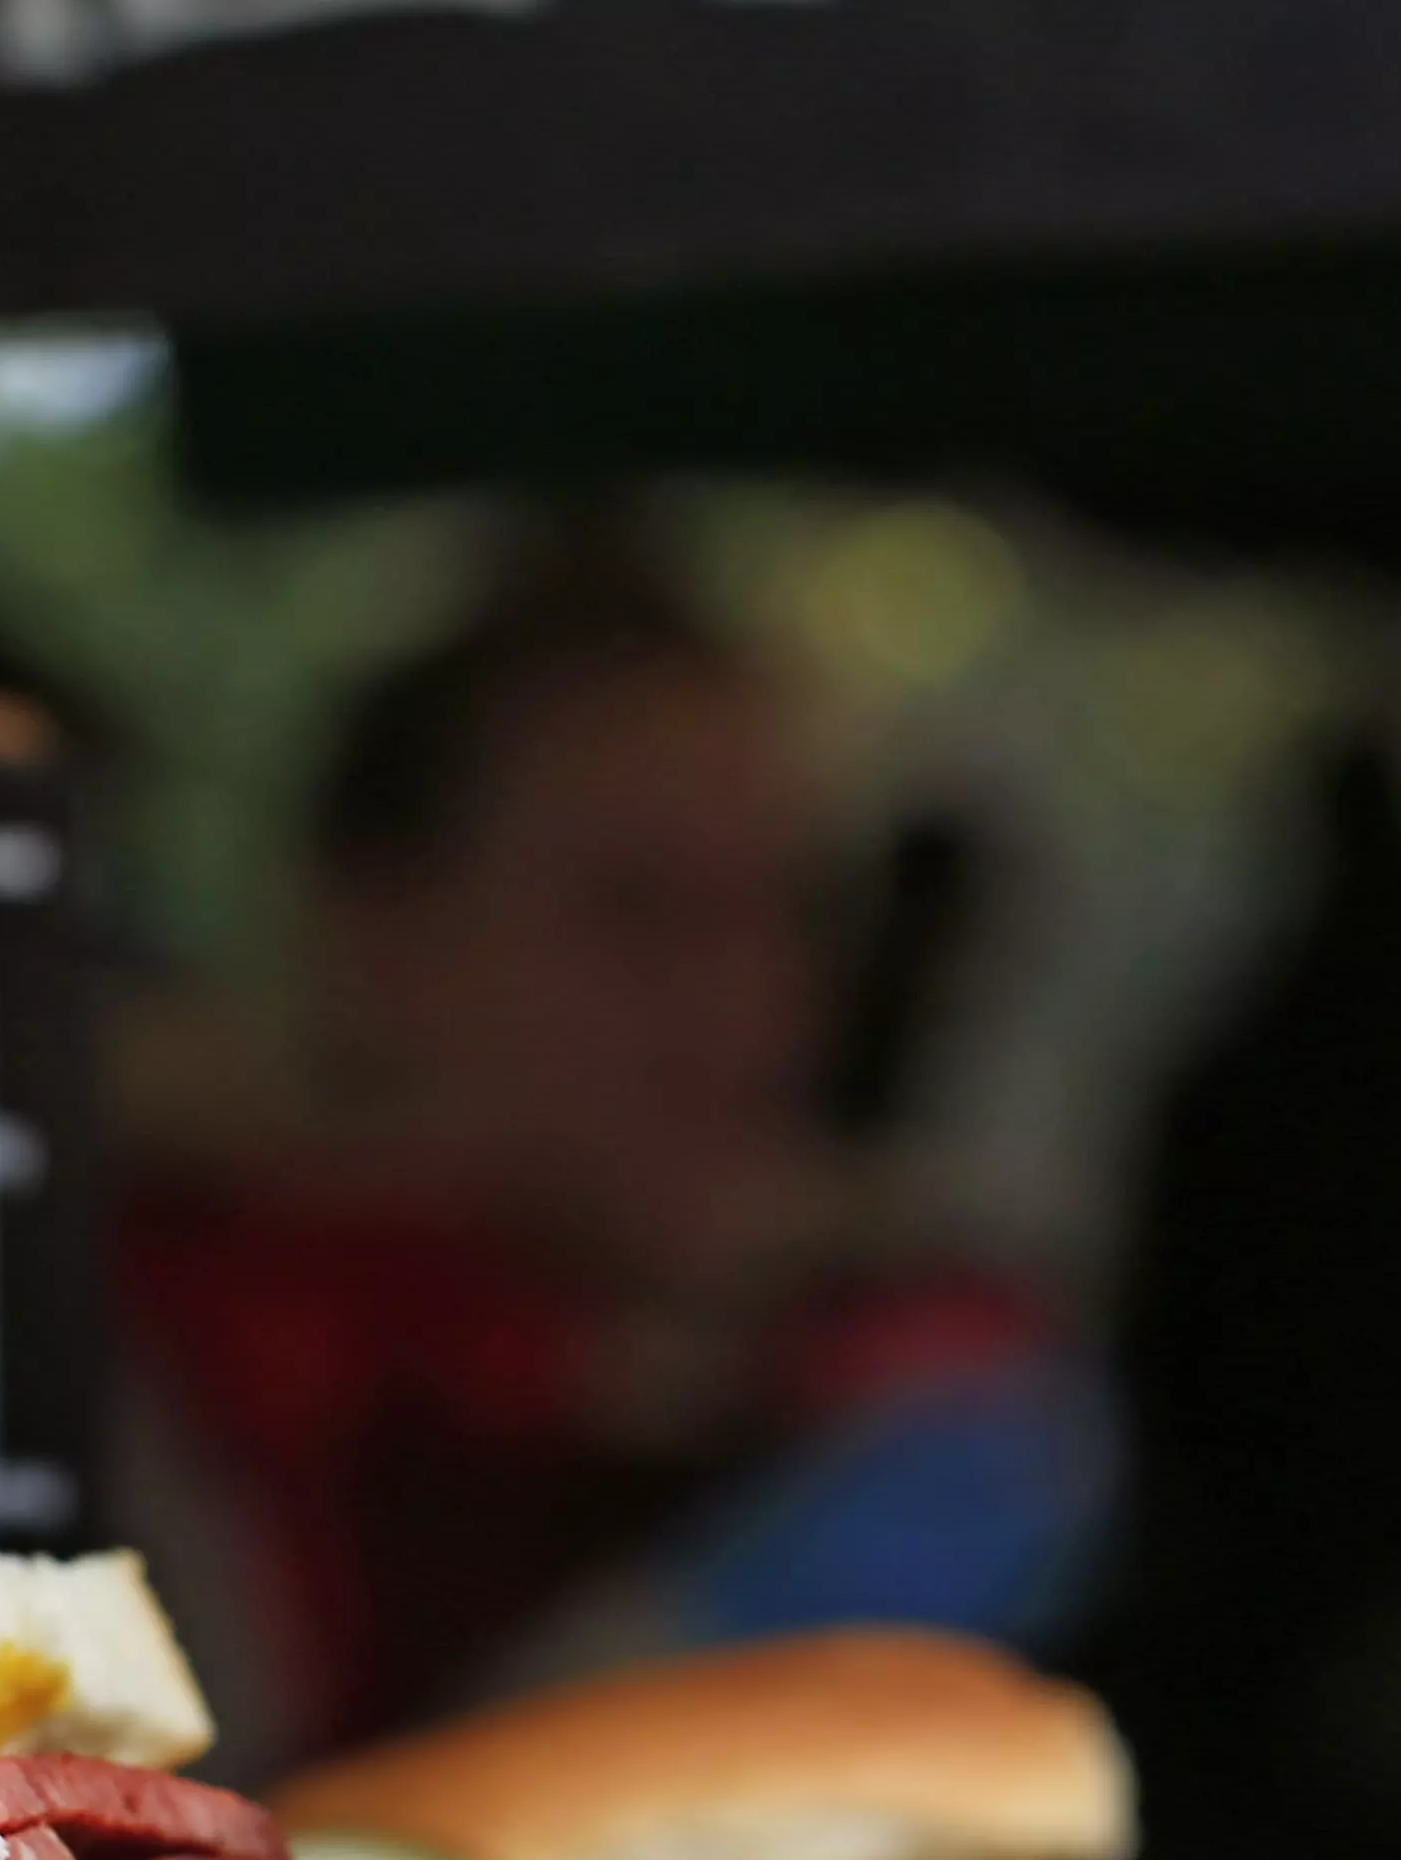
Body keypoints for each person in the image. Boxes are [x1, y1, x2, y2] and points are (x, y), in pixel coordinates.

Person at [114, 526, 1105, 1765]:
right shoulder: (182, 1389)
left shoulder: (885, 1350)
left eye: (789, 911)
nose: (750, 1012)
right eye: (636, 911)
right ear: (379, 938)